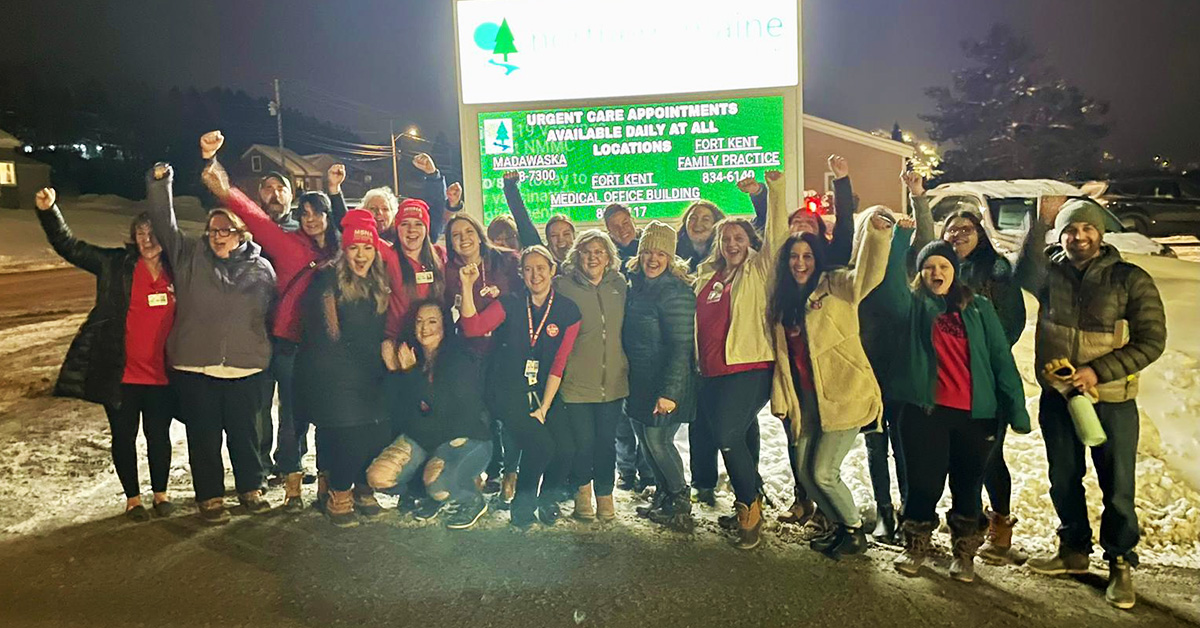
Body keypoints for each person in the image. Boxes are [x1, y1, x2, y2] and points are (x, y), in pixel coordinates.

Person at [1020, 199, 1166, 610]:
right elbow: (1020, 272)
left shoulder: (1130, 279)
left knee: (1117, 486)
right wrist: (1043, 219)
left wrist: (1097, 372)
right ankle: (1073, 551)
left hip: (1112, 400)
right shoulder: (1051, 274)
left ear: (1100, 234)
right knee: (1063, 477)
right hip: (1059, 395)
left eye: (1086, 229)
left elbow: (1152, 340)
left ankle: (1120, 562)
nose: (1078, 237)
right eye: (1069, 230)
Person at [874, 228, 1031, 583]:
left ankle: (964, 551)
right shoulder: (912, 306)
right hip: (924, 412)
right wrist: (900, 239)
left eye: (942, 264)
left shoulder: (979, 308)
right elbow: (890, 289)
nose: (935, 272)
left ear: (954, 270)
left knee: (967, 485)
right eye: (927, 266)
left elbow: (999, 360)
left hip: (976, 416)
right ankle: (916, 545)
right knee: (922, 484)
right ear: (919, 273)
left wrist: (1016, 408)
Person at [34, 187, 177, 521]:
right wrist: (49, 211)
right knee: (124, 436)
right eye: (140, 233)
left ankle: (161, 493)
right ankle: (133, 499)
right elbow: (70, 247)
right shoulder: (115, 264)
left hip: (162, 374)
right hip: (122, 372)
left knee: (159, 436)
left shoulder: (177, 269)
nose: (146, 239)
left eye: (152, 232)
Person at [907, 170, 1029, 561]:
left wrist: (982, 356)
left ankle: (997, 521)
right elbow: (923, 249)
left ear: (980, 233)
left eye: (966, 230)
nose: (959, 236)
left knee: (984, 465)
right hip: (938, 402)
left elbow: (1010, 325)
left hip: (981, 390)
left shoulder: (994, 273)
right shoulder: (927, 290)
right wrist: (918, 200)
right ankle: (936, 535)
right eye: (952, 231)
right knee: (932, 472)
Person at [147, 163, 276, 524]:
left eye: (226, 230)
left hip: (246, 366)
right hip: (196, 366)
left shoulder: (262, 268)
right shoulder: (189, 256)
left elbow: (271, 313)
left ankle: (251, 487)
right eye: (213, 229)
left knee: (245, 433)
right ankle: (211, 495)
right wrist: (160, 185)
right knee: (204, 437)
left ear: (242, 234)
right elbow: (163, 223)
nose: (218, 236)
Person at [769, 210, 894, 558]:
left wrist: (878, 236)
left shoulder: (835, 285)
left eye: (807, 256)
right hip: (808, 400)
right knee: (806, 473)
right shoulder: (782, 300)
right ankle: (839, 527)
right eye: (794, 257)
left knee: (824, 471)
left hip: (846, 393)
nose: (800, 263)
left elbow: (865, 277)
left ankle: (854, 531)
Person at [695, 170, 788, 550]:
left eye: (739, 237)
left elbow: (777, 235)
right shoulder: (706, 274)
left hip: (749, 366)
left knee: (728, 435)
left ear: (750, 241)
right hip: (712, 371)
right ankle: (750, 497)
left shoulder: (760, 268)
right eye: (726, 238)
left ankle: (749, 508)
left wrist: (768, 194)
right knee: (742, 434)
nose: (732, 243)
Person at [459, 246, 581, 527]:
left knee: (566, 448)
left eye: (541, 268)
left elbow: (558, 363)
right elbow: (473, 327)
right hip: (508, 390)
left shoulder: (568, 311)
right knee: (540, 446)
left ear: (553, 270)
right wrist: (467, 286)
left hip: (545, 390)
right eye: (528, 269)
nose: (535, 274)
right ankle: (522, 509)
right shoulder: (510, 303)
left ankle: (547, 500)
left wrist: (545, 407)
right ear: (521, 274)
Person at [294, 210, 394, 527]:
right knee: (347, 434)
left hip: (371, 371)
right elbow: (326, 334)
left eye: (367, 248)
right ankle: (339, 491)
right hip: (337, 373)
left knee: (373, 431)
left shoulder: (379, 281)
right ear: (345, 249)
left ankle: (364, 488)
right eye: (354, 248)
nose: (361, 255)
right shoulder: (328, 280)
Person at [366, 300, 494, 529]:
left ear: (445, 325)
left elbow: (443, 410)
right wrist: (395, 372)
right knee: (378, 477)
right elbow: (394, 408)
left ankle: (470, 499)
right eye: (419, 321)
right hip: (424, 437)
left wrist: (410, 373)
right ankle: (425, 494)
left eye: (432, 321)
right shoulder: (412, 355)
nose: (425, 327)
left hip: (465, 438)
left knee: (438, 484)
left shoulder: (459, 357)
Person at [621, 221, 697, 531]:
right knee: (646, 441)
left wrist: (670, 392)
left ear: (671, 258)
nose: (653, 259)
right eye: (648, 252)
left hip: (665, 383)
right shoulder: (637, 286)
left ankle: (679, 499)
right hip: (640, 381)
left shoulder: (675, 291)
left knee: (658, 441)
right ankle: (664, 497)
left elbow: (682, 347)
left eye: (661, 254)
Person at [443, 213, 523, 500]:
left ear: (479, 234)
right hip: (471, 354)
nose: (463, 238)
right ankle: (490, 468)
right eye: (455, 235)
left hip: (507, 351)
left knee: (509, 415)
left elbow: (519, 301)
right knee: (482, 415)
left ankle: (511, 475)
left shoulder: (506, 261)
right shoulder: (449, 271)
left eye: (468, 231)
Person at [554, 230, 631, 522]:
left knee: (605, 442)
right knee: (582, 443)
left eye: (599, 251)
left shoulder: (619, 285)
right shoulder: (563, 286)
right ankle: (582, 494)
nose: (593, 257)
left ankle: (605, 495)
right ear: (577, 256)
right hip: (576, 383)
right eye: (586, 252)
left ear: (609, 256)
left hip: (613, 381)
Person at [502, 171, 576, 263]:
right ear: (547, 240)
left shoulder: (585, 260)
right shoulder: (540, 255)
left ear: (575, 237)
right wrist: (510, 187)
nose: (561, 239)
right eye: (554, 235)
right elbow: (522, 220)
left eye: (566, 234)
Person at [676, 201, 726, 272]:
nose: (698, 224)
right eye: (693, 218)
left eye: (705, 219)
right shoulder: (673, 253)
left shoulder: (724, 254)